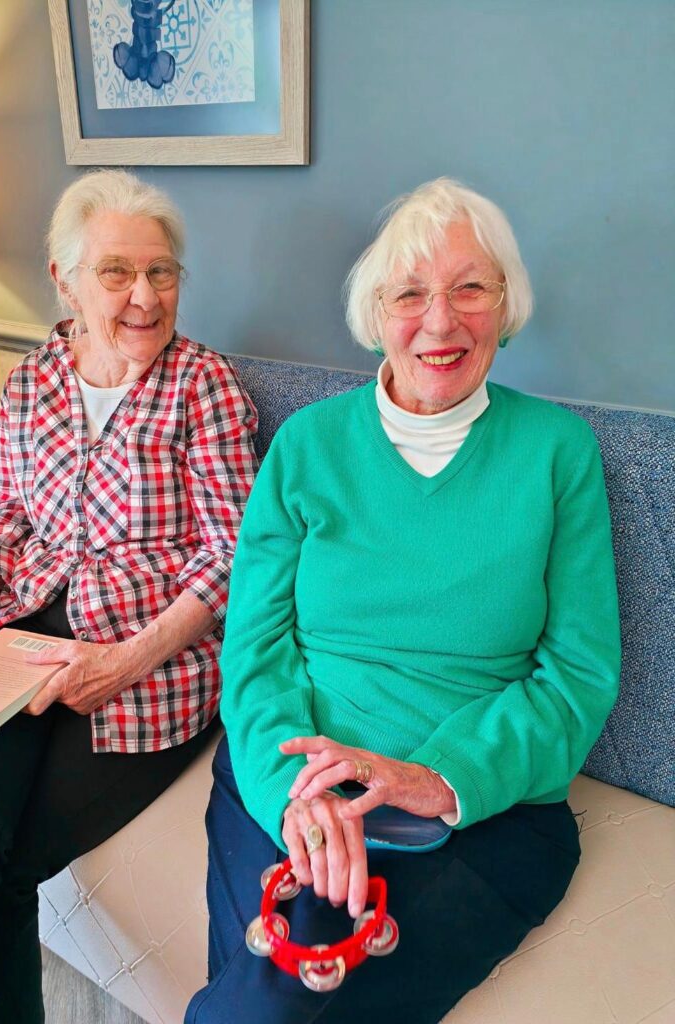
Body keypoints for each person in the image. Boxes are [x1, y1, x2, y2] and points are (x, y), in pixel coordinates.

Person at [186, 178, 621, 1024]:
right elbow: (255, 644)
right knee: (274, 987)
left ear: (506, 304)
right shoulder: (310, 445)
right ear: (375, 311)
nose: (441, 321)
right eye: (410, 293)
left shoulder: (558, 453)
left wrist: (434, 776)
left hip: (479, 809)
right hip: (292, 778)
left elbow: (578, 674)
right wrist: (298, 799)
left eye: (470, 288)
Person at [0, 169, 258, 1024]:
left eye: (162, 272)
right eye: (116, 272)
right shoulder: (33, 383)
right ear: (63, 279)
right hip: (25, 641)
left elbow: (237, 552)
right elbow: (16, 511)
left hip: (156, 659)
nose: (144, 296)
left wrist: (125, 659)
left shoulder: (202, 387)